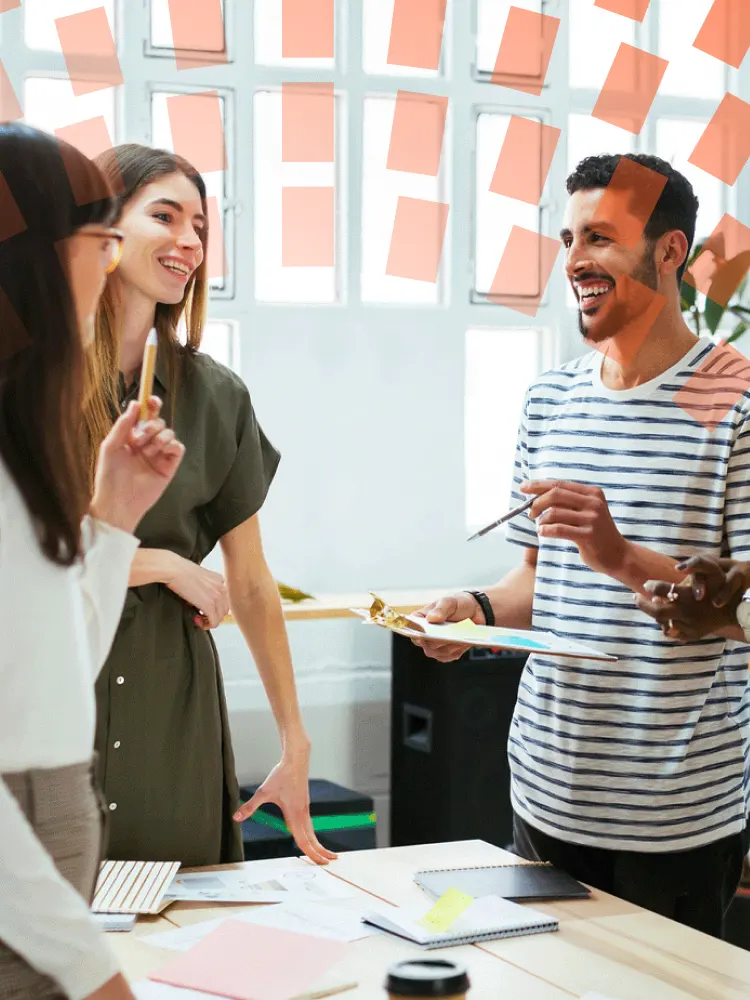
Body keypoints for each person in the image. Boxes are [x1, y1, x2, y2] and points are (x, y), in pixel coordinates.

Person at [417, 153, 750, 938]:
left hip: (673, 816)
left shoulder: (733, 398)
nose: (573, 261)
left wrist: (621, 554)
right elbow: (539, 578)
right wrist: (471, 611)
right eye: (567, 238)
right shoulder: (551, 400)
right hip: (546, 788)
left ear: (669, 252)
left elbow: (744, 608)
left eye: (599, 237)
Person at [83, 144, 335, 867]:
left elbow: (250, 580)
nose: (190, 242)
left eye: (201, 226)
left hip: (175, 701)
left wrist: (295, 740)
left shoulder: (218, 396)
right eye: (165, 215)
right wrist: (155, 561)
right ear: (103, 228)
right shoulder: (28, 375)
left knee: (184, 930)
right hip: (56, 678)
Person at [0, 124, 185, 999]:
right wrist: (91, 966)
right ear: (33, 255)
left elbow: (56, 682)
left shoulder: (25, 449)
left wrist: (113, 519)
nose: (112, 264)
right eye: (103, 240)